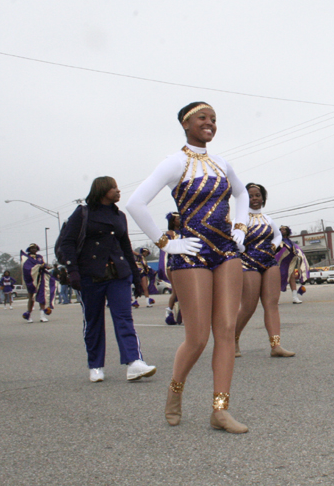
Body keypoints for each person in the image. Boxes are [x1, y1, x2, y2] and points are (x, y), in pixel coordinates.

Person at [126, 101, 249, 433]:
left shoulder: (222, 163)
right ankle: (175, 390)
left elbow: (242, 195)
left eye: (213, 119)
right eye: (202, 118)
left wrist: (240, 227)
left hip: (225, 251)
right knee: (198, 337)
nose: (209, 123)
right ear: (186, 123)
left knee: (225, 331)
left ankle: (220, 410)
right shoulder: (174, 162)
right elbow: (135, 204)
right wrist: (167, 243)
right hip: (190, 252)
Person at [60, 176, 156, 383]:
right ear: (102, 190)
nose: (118, 191)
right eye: (114, 188)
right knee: (93, 320)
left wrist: (136, 277)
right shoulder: (83, 213)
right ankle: (95, 366)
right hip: (90, 275)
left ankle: (134, 362)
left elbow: (125, 247)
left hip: (118, 275)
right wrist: (73, 271)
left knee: (124, 318)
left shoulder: (120, 216)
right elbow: (67, 243)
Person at [234, 183, 294, 358]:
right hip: (248, 264)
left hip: (269, 262)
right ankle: (232, 338)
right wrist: (242, 248)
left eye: (257, 195)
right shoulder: (241, 219)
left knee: (272, 305)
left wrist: (274, 246)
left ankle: (276, 346)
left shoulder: (268, 219)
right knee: (249, 306)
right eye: (250, 195)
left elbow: (278, 235)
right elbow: (235, 239)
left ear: (263, 198)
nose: (254, 199)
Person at [275, 226, 309, 304]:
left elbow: (297, 251)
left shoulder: (290, 242)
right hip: (280, 264)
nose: (282, 230)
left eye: (284, 229)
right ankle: (276, 299)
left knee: (292, 279)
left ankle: (295, 297)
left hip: (289, 264)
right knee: (278, 280)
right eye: (281, 229)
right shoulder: (277, 241)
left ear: (287, 231)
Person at [21, 244, 55, 322]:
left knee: (42, 297)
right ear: (29, 249)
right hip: (32, 280)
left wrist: (45, 266)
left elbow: (43, 264)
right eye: (32, 248)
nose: (34, 249)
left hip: (41, 279)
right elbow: (27, 269)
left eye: (35, 248)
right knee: (31, 298)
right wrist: (39, 267)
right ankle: (28, 315)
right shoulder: (27, 258)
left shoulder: (39, 257)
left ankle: (42, 315)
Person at [159, 212, 182, 325]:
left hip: (185, 265)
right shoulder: (169, 234)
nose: (180, 220)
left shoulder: (185, 232)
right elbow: (164, 250)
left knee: (185, 290)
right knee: (176, 290)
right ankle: (169, 312)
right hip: (172, 265)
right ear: (173, 221)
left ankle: (183, 312)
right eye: (178, 219)